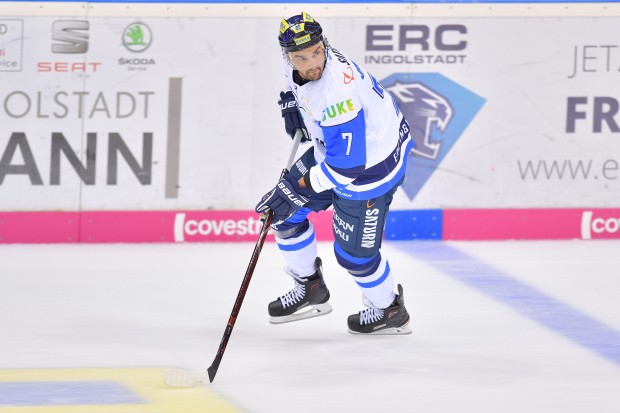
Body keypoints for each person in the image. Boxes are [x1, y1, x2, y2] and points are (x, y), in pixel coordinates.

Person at [255, 12, 413, 335]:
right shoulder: (295, 61)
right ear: (287, 54)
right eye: (301, 57)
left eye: (316, 52)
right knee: (282, 214)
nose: (312, 62)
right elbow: (294, 83)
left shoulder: (336, 93)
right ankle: (311, 289)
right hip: (338, 150)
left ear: (323, 43)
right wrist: (290, 103)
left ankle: (390, 310)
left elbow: (347, 168)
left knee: (354, 257)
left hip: (372, 166)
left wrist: (300, 186)